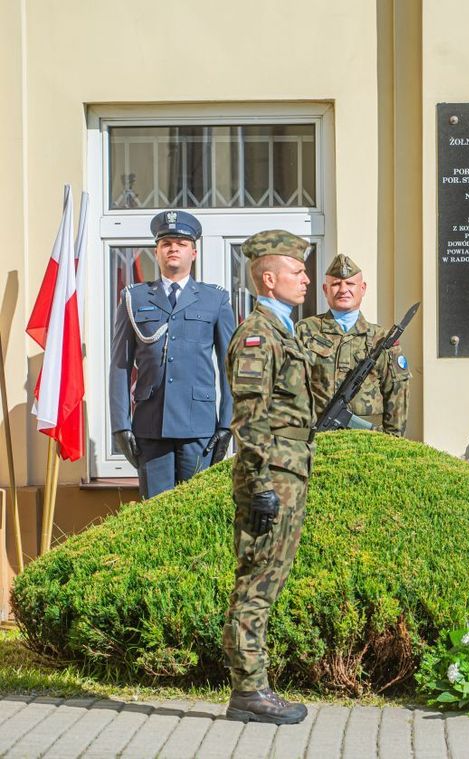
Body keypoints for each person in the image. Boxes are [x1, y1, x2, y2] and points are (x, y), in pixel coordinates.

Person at [222, 229, 314, 725]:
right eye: (297, 272)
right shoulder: (257, 335)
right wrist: (259, 484)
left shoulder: (283, 331)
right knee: (256, 582)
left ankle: (254, 686)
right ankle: (249, 692)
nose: (306, 279)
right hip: (271, 476)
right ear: (270, 278)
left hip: (287, 471)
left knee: (268, 581)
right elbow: (250, 419)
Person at [108, 210, 235, 499]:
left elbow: (231, 366)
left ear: (194, 252)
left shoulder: (215, 299)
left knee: (196, 511)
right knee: (155, 514)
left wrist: (227, 423)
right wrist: (120, 425)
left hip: (199, 427)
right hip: (152, 426)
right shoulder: (135, 298)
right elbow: (120, 365)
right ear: (157, 252)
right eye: (166, 244)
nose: (173, 248)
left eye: (180, 243)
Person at [295, 254, 411, 434]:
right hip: (317, 435)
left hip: (368, 440)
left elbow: (396, 392)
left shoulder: (380, 337)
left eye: (350, 284)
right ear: (325, 289)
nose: (343, 289)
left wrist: (394, 442)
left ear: (363, 288)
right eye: (335, 284)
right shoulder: (305, 330)